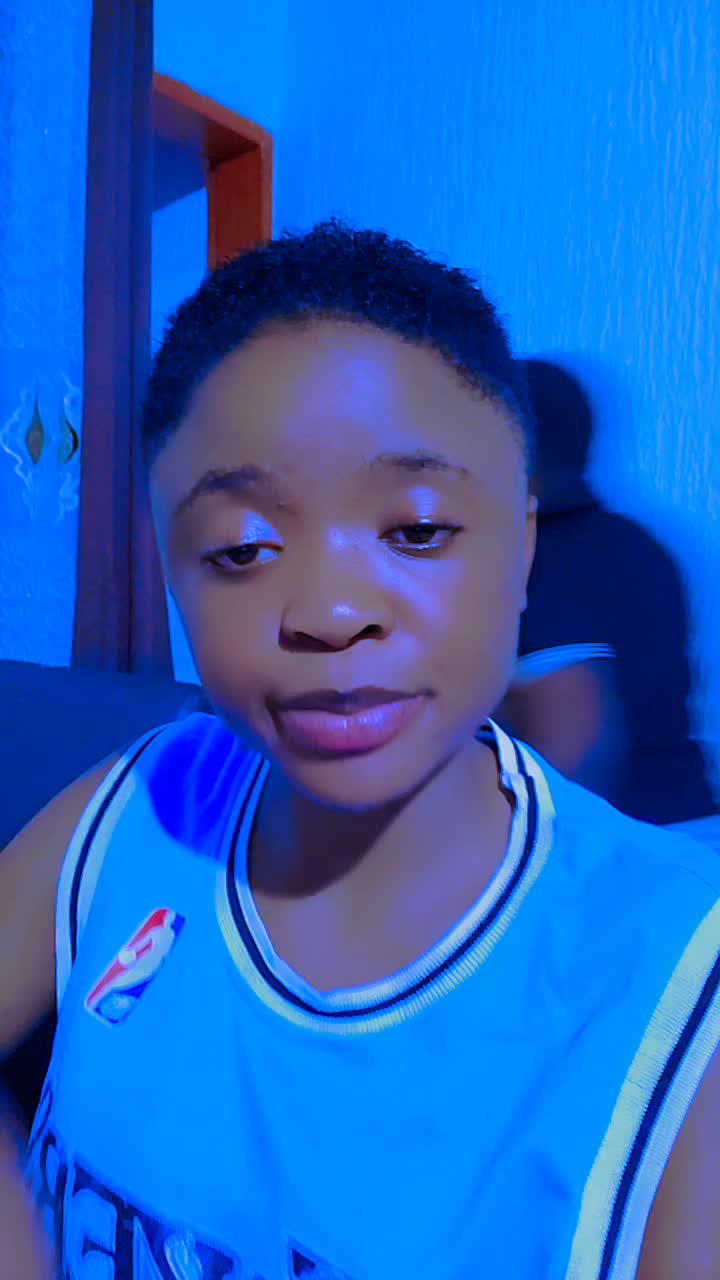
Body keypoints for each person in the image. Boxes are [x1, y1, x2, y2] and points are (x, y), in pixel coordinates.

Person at [1, 221, 719, 1279]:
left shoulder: (675, 990)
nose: (333, 612)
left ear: (523, 545)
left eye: (417, 531)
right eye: (241, 548)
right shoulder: (146, 799)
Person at [500, 358, 720, 847]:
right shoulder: (639, 544)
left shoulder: (546, 560)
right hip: (689, 831)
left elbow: (572, 755)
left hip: (621, 851)